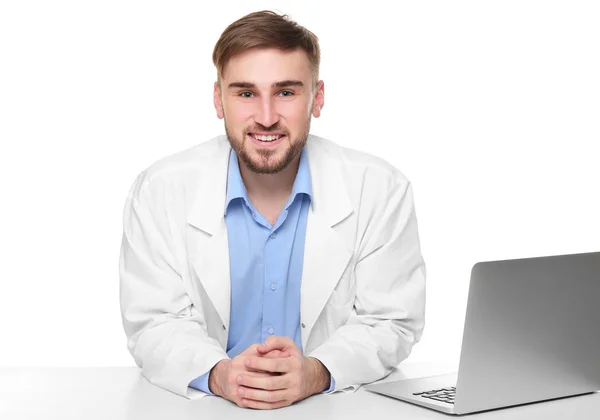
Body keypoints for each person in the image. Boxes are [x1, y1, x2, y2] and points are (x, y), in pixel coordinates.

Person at [119, 10, 426, 410]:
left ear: (317, 98)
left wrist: (317, 372)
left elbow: (392, 321)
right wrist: (222, 375)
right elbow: (153, 322)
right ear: (218, 100)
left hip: (339, 408)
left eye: (286, 92)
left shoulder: (380, 188)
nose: (266, 117)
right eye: (245, 93)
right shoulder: (159, 190)